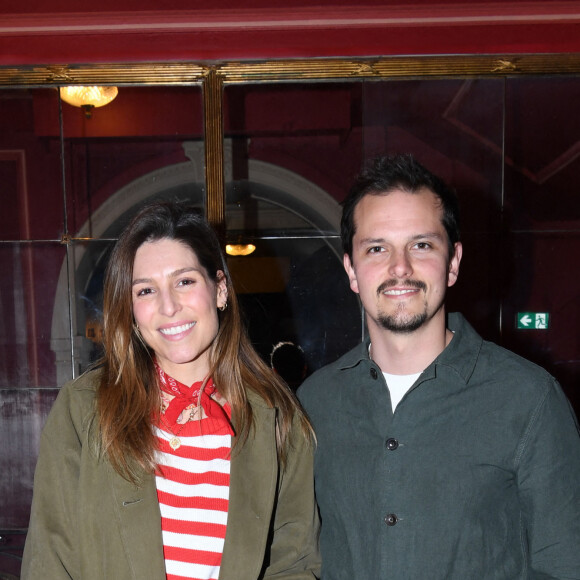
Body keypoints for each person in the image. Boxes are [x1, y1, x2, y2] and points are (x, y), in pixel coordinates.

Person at [298, 154, 580, 579]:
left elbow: (564, 564)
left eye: (421, 245)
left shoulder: (530, 399)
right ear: (351, 270)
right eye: (377, 248)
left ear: (453, 262)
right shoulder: (313, 404)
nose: (400, 268)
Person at [22, 202, 320, 580]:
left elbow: (295, 565)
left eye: (184, 281)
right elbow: (49, 561)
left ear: (220, 290)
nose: (168, 306)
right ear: (130, 309)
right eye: (145, 291)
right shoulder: (83, 410)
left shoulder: (279, 418)